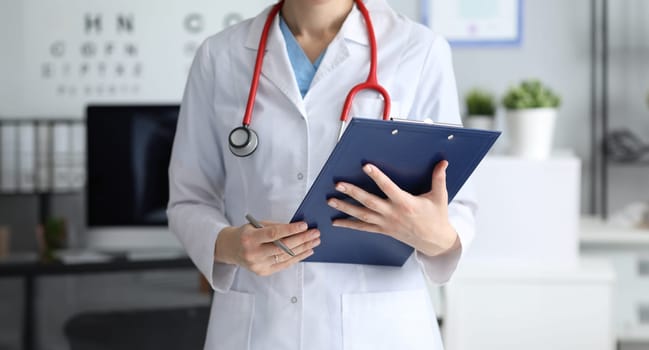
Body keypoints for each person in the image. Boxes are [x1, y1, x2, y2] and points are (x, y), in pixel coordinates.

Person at [167, 0, 476, 349]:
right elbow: (188, 198)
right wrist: (230, 246)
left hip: (379, 328)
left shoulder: (418, 49)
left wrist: (434, 234)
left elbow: (457, 206)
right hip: (259, 325)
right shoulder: (220, 56)